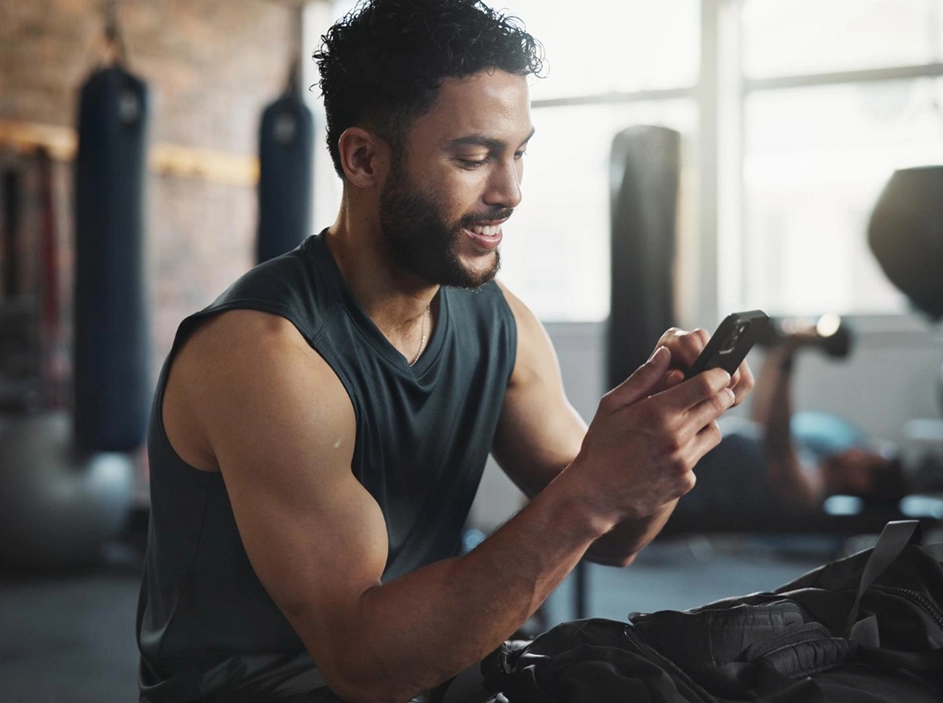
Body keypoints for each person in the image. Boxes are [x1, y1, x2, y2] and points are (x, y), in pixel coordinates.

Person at [135, 2, 753, 702]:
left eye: (519, 152)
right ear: (363, 158)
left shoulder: (498, 324)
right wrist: (592, 490)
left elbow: (618, 536)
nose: (511, 191)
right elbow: (362, 664)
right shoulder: (264, 355)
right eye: (474, 156)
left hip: (435, 676)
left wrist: (662, 440)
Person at [673, 322, 897, 526]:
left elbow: (776, 437)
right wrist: (776, 351)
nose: (855, 448)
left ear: (863, 481)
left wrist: (789, 354)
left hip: (676, 491)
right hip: (679, 453)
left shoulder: (809, 492)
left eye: (865, 455)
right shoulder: (809, 459)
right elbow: (762, 422)